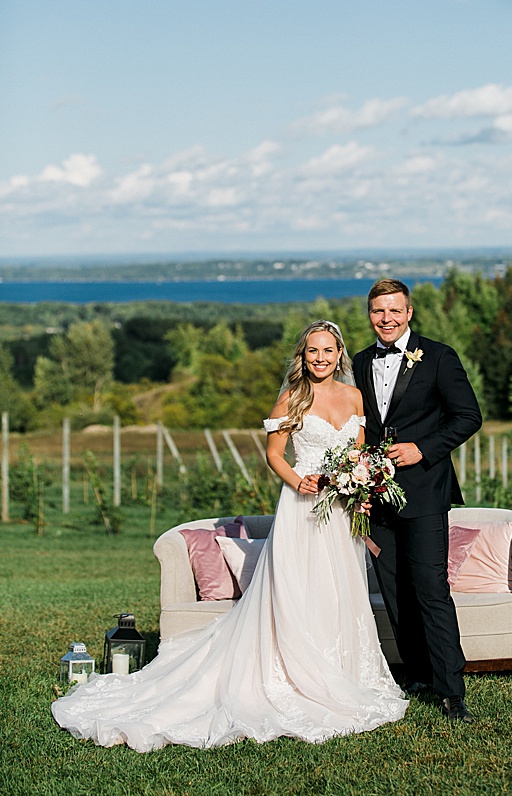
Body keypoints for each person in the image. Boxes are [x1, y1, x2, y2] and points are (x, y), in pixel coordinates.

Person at [51, 319, 407, 751]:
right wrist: (299, 483)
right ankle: (295, 676)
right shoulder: (290, 400)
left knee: (339, 591)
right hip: (303, 510)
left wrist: (362, 486)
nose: (320, 358)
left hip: (341, 512)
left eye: (328, 351)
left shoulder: (354, 397)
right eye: (312, 351)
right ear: (303, 355)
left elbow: (357, 453)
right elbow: (275, 454)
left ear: (339, 355)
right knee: (299, 590)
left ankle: (344, 672)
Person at [354, 278, 482, 725]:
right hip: (377, 496)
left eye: (394, 310)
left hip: (426, 492)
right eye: (377, 311)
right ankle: (419, 674)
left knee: (430, 590)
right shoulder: (358, 362)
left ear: (409, 313)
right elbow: (361, 430)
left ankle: (452, 691)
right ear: (369, 315)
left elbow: (469, 417)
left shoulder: (440, 357)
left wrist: (421, 449)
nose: (386, 319)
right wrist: (357, 487)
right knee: (394, 591)